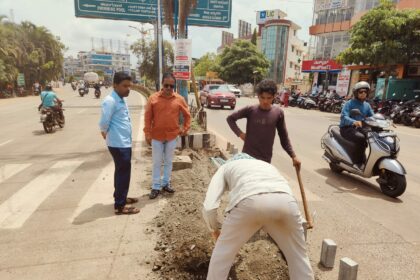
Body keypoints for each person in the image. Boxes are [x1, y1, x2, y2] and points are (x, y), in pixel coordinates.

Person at [202, 153, 314, 280]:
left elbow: (209, 207)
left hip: (249, 202)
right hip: (286, 203)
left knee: (221, 257)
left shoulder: (225, 168)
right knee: (299, 258)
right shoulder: (266, 166)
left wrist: (215, 230)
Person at [226, 79, 300, 167]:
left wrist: (293, 156)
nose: (265, 101)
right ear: (258, 96)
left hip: (265, 160)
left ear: (274, 97)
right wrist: (240, 134)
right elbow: (230, 119)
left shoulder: (278, 113)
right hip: (247, 157)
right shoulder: (250, 110)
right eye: (262, 97)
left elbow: (284, 137)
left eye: (269, 98)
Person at [144, 73, 191, 199]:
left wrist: (185, 129)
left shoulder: (179, 99)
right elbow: (147, 118)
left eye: (172, 86)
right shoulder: (153, 99)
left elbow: (187, 115)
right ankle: (155, 186)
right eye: (166, 85)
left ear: (174, 86)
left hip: (171, 136)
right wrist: (147, 133)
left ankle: (166, 183)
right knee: (157, 162)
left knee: (169, 161)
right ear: (162, 85)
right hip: (157, 137)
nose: (169, 88)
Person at [99, 72, 140, 215]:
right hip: (118, 143)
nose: (128, 89)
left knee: (121, 172)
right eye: (124, 86)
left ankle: (120, 197)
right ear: (115, 85)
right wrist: (104, 131)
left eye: (129, 86)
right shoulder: (110, 100)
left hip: (123, 142)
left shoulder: (121, 99)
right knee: (123, 173)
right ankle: (120, 206)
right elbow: (104, 121)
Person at [339, 81, 374, 168]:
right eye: (360, 92)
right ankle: (357, 162)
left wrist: (385, 121)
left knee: (372, 136)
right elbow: (344, 117)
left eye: (365, 92)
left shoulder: (367, 105)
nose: (363, 94)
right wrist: (353, 121)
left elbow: (373, 116)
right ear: (356, 93)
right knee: (361, 138)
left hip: (359, 128)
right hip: (347, 128)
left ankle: (364, 158)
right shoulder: (349, 103)